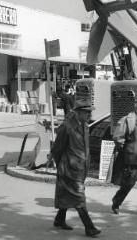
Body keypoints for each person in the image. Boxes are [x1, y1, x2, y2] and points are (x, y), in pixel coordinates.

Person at [51, 98, 101, 237]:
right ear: (78, 112)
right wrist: (63, 165)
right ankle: (89, 228)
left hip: (80, 169)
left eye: (90, 112)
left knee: (68, 195)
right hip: (69, 169)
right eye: (86, 113)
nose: (89, 115)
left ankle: (59, 219)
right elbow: (57, 149)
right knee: (79, 198)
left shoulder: (84, 125)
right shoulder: (67, 127)